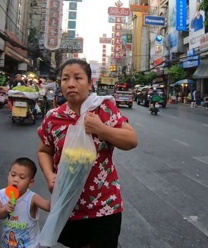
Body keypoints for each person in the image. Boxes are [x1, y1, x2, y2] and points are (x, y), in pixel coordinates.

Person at [37, 59, 138, 247]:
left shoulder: (104, 109)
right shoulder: (53, 117)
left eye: (78, 78)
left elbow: (131, 140)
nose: (71, 84)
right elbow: (44, 150)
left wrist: (101, 128)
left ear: (90, 83)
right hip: (68, 203)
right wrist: (49, 175)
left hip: (104, 204)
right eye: (65, 79)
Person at [0, 157, 50, 248]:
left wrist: (56, 191)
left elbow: (48, 206)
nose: (15, 179)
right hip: (7, 244)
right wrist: (5, 209)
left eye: (21, 177)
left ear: (30, 182)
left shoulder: (32, 198)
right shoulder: (2, 194)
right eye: (13, 175)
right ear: (8, 175)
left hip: (29, 245)